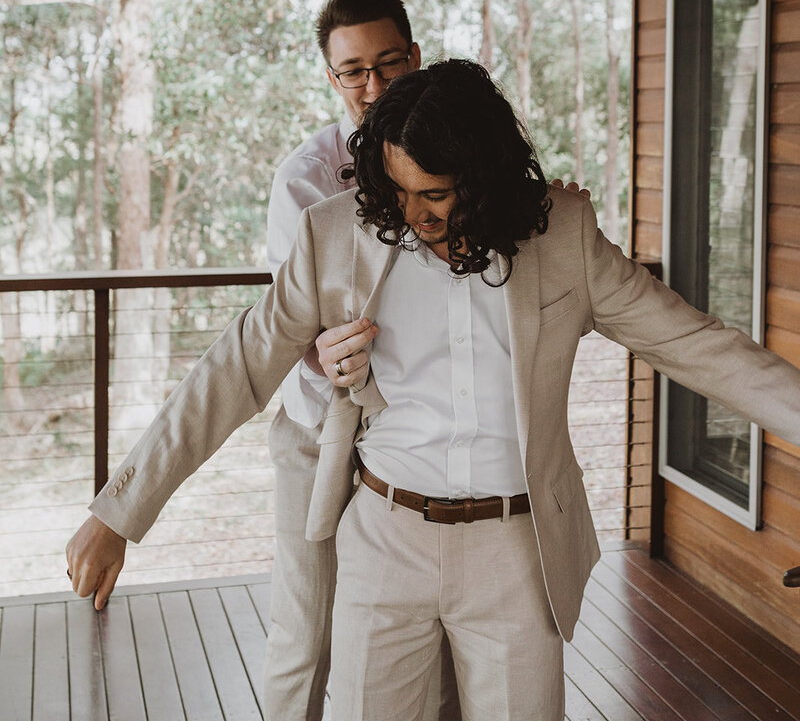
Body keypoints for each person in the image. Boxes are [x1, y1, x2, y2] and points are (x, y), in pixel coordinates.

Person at [67, 59, 798, 720]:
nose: (414, 215)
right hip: (384, 537)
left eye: (437, 195)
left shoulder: (564, 235)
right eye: (400, 190)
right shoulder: (334, 235)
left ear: (486, 176)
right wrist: (120, 510)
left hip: (517, 551)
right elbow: (235, 367)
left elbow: (700, 346)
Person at [262, 0, 458, 721]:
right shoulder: (304, 180)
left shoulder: (461, 158)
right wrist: (326, 352)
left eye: (386, 63)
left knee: (423, 635)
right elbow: (294, 327)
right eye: (352, 72)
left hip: (412, 444)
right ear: (331, 78)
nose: (372, 87)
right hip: (319, 436)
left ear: (415, 57)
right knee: (306, 635)